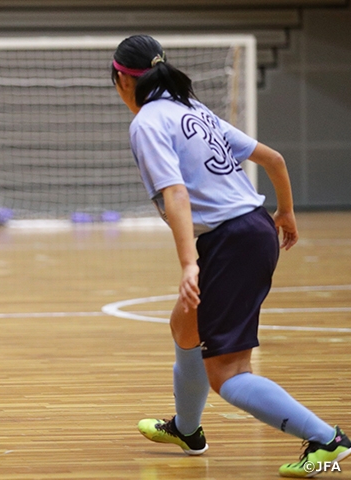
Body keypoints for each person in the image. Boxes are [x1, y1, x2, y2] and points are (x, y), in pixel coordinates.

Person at [112, 34, 350, 478]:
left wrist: (189, 263)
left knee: (229, 375)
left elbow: (177, 194)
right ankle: (187, 429)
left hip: (231, 241)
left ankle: (326, 440)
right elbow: (275, 159)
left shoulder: (147, 122)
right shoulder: (194, 110)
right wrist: (286, 212)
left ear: (123, 81)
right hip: (252, 228)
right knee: (185, 324)